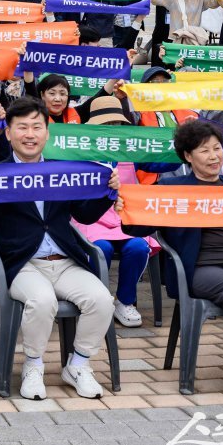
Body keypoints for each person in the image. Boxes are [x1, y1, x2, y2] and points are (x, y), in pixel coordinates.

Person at [122, 120, 223, 403]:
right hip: (199, 266)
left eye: (217, 148)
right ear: (188, 156)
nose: (213, 156)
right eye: (204, 150)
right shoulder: (172, 187)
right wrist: (126, 209)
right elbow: (140, 226)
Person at [0, 98, 121, 400]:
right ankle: (33, 365)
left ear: (47, 132)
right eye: (22, 127)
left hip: (65, 261)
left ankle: (78, 365)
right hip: (23, 264)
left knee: (102, 300)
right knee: (42, 301)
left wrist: (107, 192)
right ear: (8, 133)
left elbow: (84, 215)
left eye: (37, 127)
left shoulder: (62, 170)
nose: (30, 134)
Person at [70, 96, 155, 328]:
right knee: (101, 249)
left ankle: (125, 301)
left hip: (125, 218)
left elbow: (161, 163)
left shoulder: (131, 151)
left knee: (138, 248)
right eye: (105, 124)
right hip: (92, 219)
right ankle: (96, 301)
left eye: (116, 124)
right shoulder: (80, 153)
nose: (111, 129)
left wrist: (175, 145)